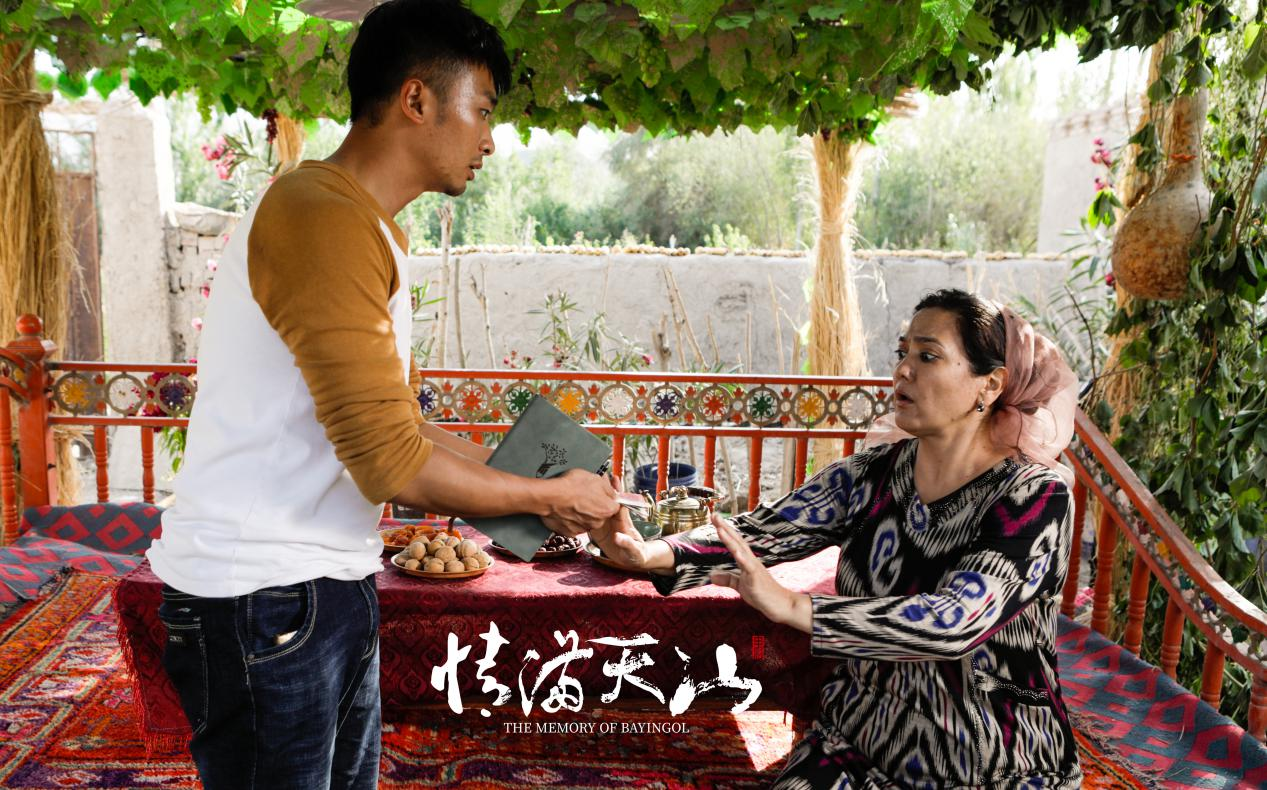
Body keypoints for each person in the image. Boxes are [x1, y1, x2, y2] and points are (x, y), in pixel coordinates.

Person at [145, 2, 625, 788]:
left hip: (318, 586)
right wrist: (543, 497)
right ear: (416, 99)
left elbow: (395, 427)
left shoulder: (361, 225)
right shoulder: (318, 216)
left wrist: (549, 486)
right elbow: (388, 462)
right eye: (482, 110)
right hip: (261, 593)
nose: (489, 140)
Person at [593, 288, 1083, 788]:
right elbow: (761, 532)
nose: (903, 370)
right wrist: (646, 552)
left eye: (928, 356)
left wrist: (793, 606)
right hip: (862, 738)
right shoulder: (872, 474)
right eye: (903, 353)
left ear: (990, 384)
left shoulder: (1033, 498)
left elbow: (954, 620)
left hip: (990, 757)